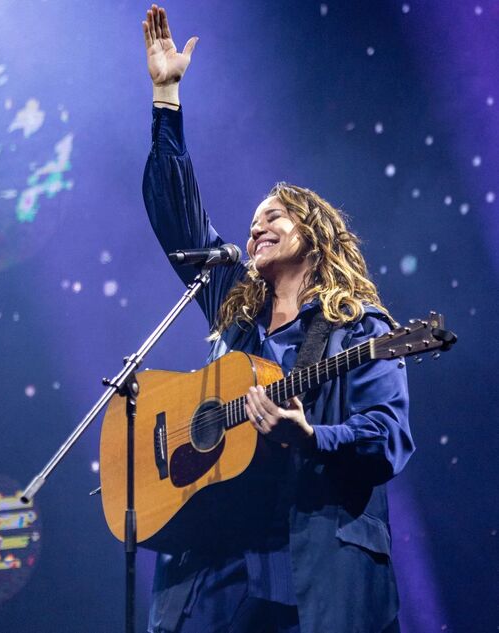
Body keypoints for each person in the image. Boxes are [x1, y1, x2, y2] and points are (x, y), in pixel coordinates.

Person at [141, 6, 414, 633]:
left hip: (307, 574)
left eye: (276, 216)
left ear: (315, 238)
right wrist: (166, 96)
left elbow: (389, 436)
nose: (257, 224)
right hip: (215, 571)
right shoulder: (235, 310)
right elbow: (176, 220)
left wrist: (311, 437)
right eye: (254, 218)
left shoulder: (362, 328)